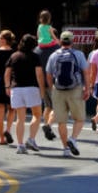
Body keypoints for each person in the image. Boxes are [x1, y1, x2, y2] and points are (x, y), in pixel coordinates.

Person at [5, 34, 46, 154]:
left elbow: (7, 73)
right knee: (37, 115)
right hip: (32, 88)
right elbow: (39, 75)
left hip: (16, 89)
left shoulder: (14, 56)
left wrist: (7, 86)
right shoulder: (35, 57)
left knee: (20, 118)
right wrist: (42, 89)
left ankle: (20, 145)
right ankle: (31, 139)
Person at [34, 10, 60, 142]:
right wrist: (58, 42)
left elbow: (39, 37)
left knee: (47, 106)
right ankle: (48, 126)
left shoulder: (36, 50)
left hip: (41, 82)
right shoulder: (56, 49)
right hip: (53, 82)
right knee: (57, 107)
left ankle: (45, 124)